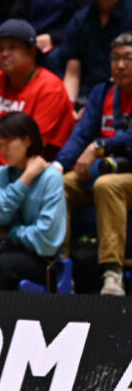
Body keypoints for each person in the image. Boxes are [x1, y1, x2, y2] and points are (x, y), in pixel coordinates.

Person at [56, 32, 132, 296]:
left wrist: (100, 146)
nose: (120, 65)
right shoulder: (103, 92)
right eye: (115, 58)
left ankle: (112, 274)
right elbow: (81, 134)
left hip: (117, 175)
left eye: (128, 58)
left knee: (107, 186)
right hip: (106, 167)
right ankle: (61, 270)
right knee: (61, 185)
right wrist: (58, 165)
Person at [0, 112, 66, 290]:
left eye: (8, 142)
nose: (3, 150)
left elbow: (47, 241)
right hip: (9, 250)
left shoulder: (51, 178)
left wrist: (12, 232)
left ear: (28, 140)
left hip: (41, 260)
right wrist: (26, 178)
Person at [0, 19, 74, 166]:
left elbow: (35, 147)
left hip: (26, 172)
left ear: (32, 51)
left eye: (12, 47)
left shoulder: (50, 87)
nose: (4, 54)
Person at [50, 0, 132, 102]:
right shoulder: (80, 20)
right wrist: (70, 106)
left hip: (123, 97)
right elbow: (72, 73)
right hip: (86, 97)